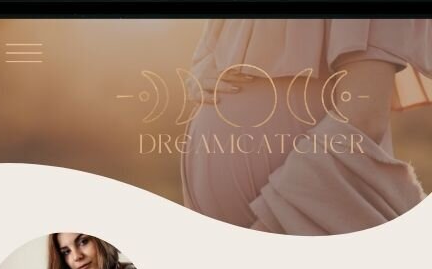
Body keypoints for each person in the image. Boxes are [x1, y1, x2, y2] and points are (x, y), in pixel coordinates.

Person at [180, 19, 432, 235]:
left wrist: (269, 231)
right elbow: (210, 53)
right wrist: (204, 65)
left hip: (298, 231)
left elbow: (364, 116)